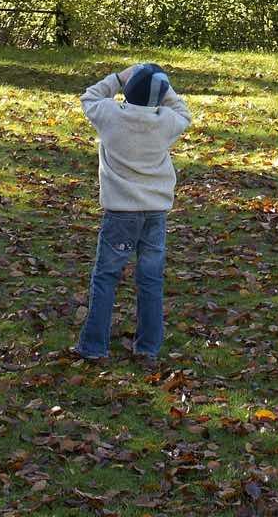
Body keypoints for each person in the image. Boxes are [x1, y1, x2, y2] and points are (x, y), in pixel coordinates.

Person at [75, 61, 191, 369]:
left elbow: (89, 97)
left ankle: (94, 345)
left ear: (128, 90)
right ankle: (147, 348)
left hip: (120, 214)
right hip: (155, 213)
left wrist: (118, 77)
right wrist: (161, 87)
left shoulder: (111, 116)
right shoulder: (165, 121)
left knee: (106, 277)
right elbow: (183, 111)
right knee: (151, 280)